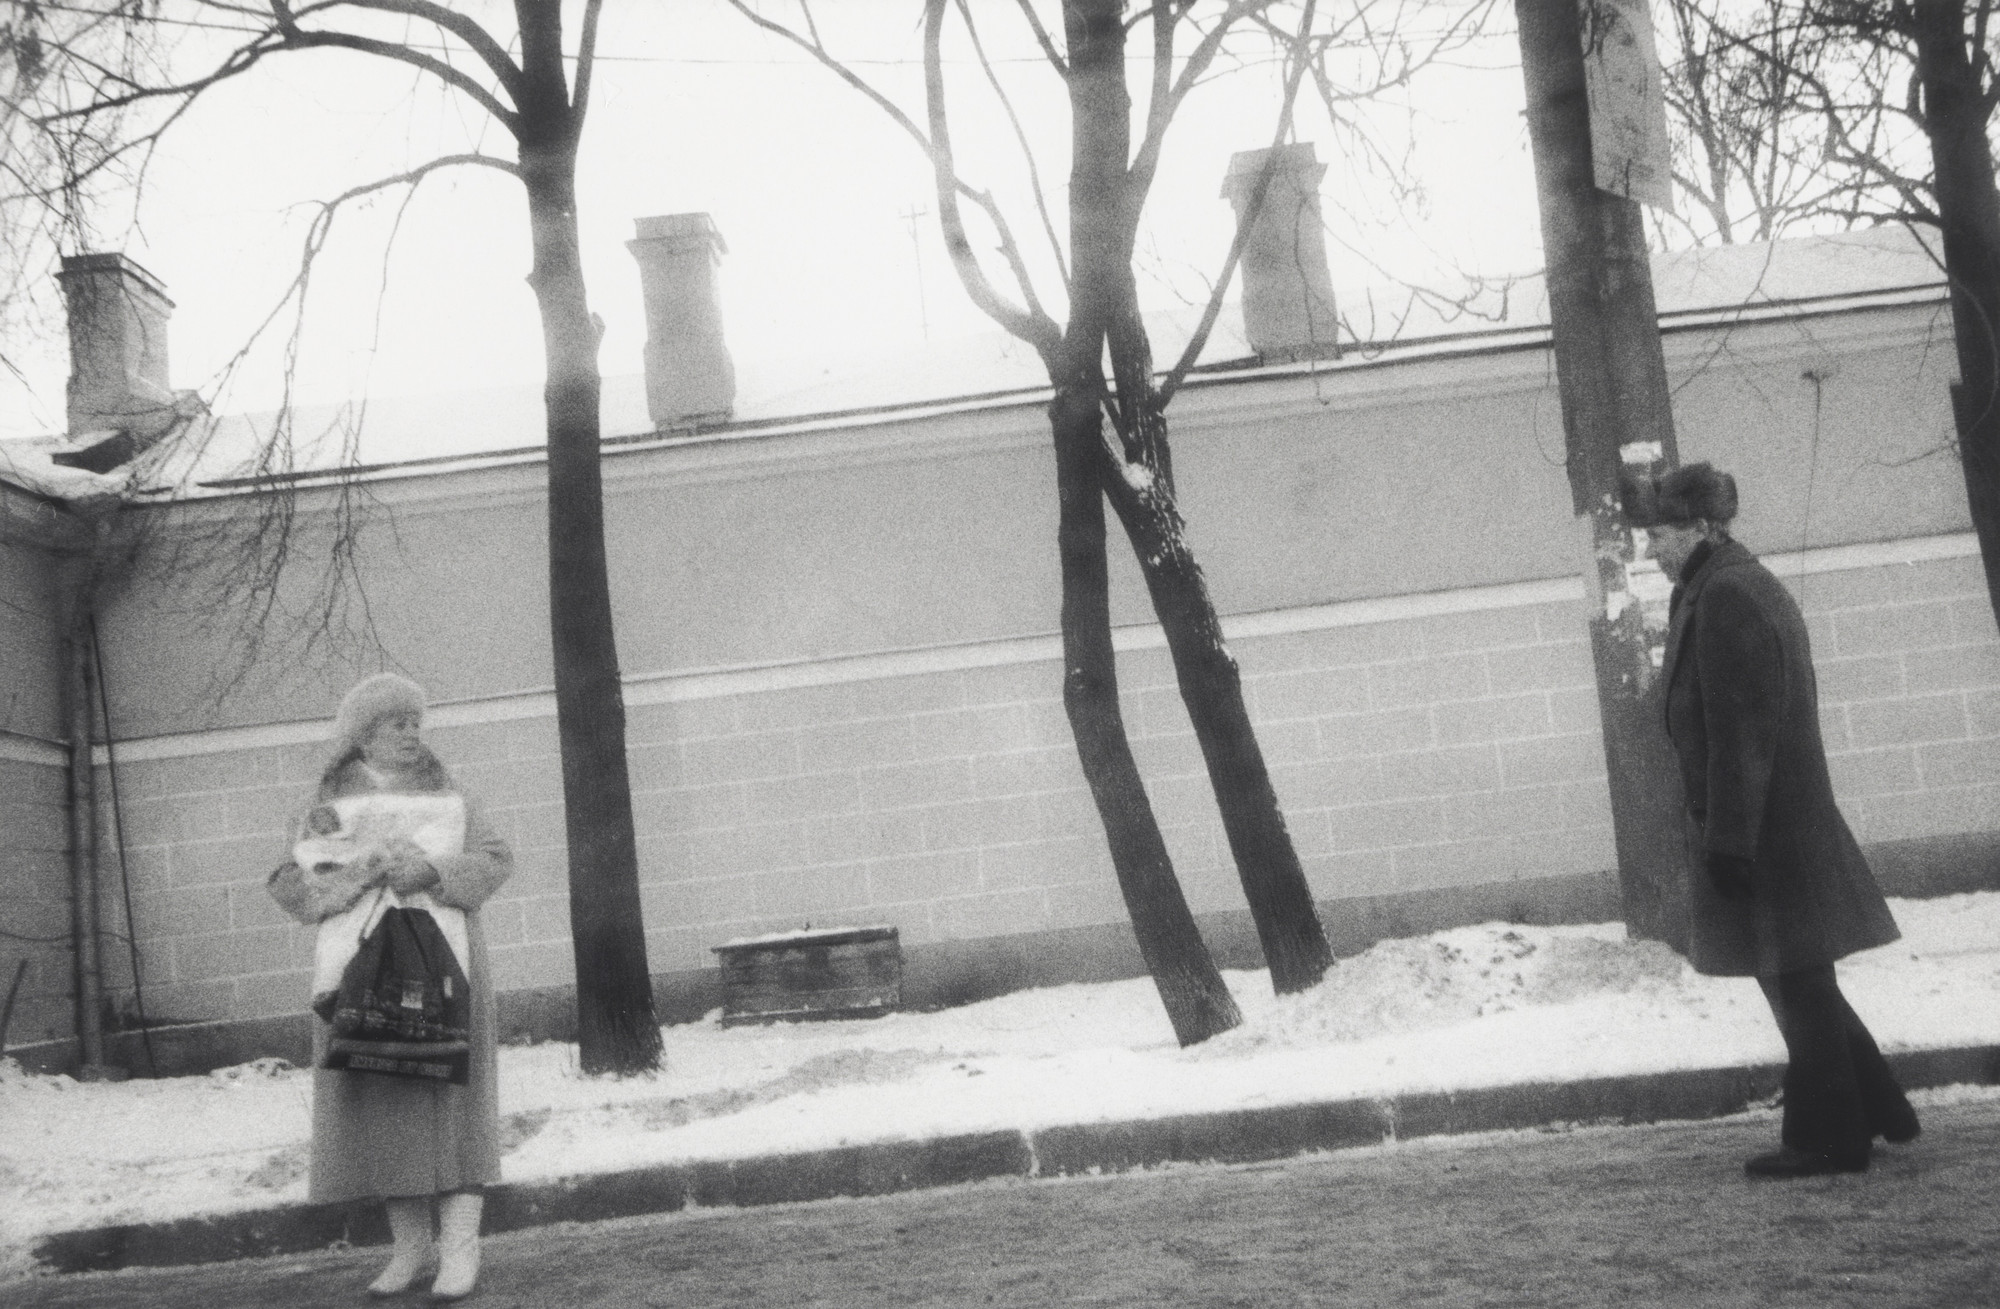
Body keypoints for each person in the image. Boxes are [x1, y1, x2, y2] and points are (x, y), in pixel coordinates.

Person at [1630, 462, 1920, 1178]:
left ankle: (1829, 1139)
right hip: (1775, 823)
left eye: (1661, 534)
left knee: (1795, 981)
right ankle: (1878, 1108)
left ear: (1700, 528)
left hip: (1767, 831)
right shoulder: (1718, 585)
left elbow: (1743, 730)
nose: (1652, 550)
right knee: (1800, 976)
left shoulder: (1726, 594)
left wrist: (1729, 840)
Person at [268, 673, 513, 1299]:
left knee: (453, 1106)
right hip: (355, 977)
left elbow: (493, 858)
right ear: (364, 735)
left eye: (415, 723)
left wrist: (429, 869)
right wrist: (353, 876)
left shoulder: (453, 797)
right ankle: (409, 1250)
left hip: (445, 970)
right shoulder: (326, 805)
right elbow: (288, 882)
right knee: (379, 1105)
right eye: (395, 723)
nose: (411, 734)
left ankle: (461, 1250)